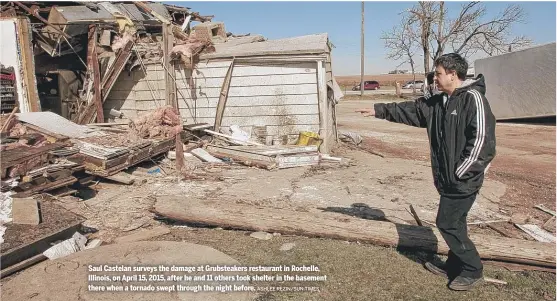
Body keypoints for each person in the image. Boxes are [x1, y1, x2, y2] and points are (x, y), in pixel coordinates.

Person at [356, 53, 496, 291]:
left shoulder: (473, 99)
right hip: (447, 179)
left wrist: (460, 172)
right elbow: (410, 110)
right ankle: (455, 265)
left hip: (463, 180)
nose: (435, 79)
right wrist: (378, 110)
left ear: (453, 74)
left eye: (439, 74)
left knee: (447, 223)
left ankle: (473, 269)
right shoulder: (440, 102)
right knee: (455, 223)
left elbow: (483, 142)